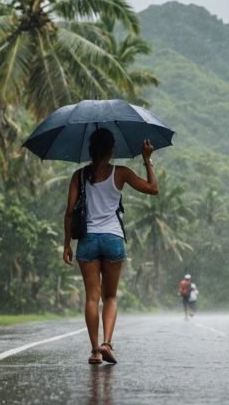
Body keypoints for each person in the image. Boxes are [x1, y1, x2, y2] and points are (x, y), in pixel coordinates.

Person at [63, 129, 159, 365]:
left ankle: (95, 351)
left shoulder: (79, 176)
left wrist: (67, 244)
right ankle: (107, 342)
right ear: (112, 149)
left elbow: (69, 212)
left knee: (92, 298)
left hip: (87, 241)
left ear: (90, 150)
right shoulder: (121, 173)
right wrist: (147, 159)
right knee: (111, 297)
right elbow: (153, 188)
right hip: (113, 239)